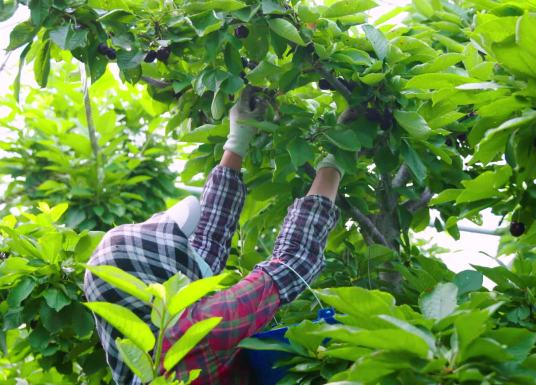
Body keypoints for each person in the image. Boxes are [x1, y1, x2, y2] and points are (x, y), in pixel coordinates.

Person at [84, 86, 343, 384]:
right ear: (156, 281)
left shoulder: (139, 354)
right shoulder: (200, 329)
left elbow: (206, 244)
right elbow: (293, 263)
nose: (191, 252)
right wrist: (334, 162)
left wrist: (237, 142)